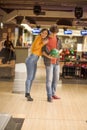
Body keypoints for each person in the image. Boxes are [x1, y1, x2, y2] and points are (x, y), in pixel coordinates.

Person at [25, 28, 49, 101]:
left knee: (32, 77)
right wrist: (43, 44)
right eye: (43, 33)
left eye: (46, 33)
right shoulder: (38, 38)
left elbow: (39, 51)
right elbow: (35, 48)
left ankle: (28, 92)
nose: (44, 34)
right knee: (30, 77)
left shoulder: (41, 39)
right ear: (40, 33)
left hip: (35, 60)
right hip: (31, 59)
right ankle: (27, 93)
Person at [42, 24, 62, 102]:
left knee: (56, 79)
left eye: (55, 33)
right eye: (53, 33)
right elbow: (42, 52)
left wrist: (58, 52)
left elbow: (61, 49)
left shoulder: (58, 39)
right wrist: (49, 57)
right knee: (49, 80)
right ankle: (49, 96)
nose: (54, 34)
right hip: (49, 62)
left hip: (56, 62)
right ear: (50, 31)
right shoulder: (45, 39)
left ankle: (53, 93)